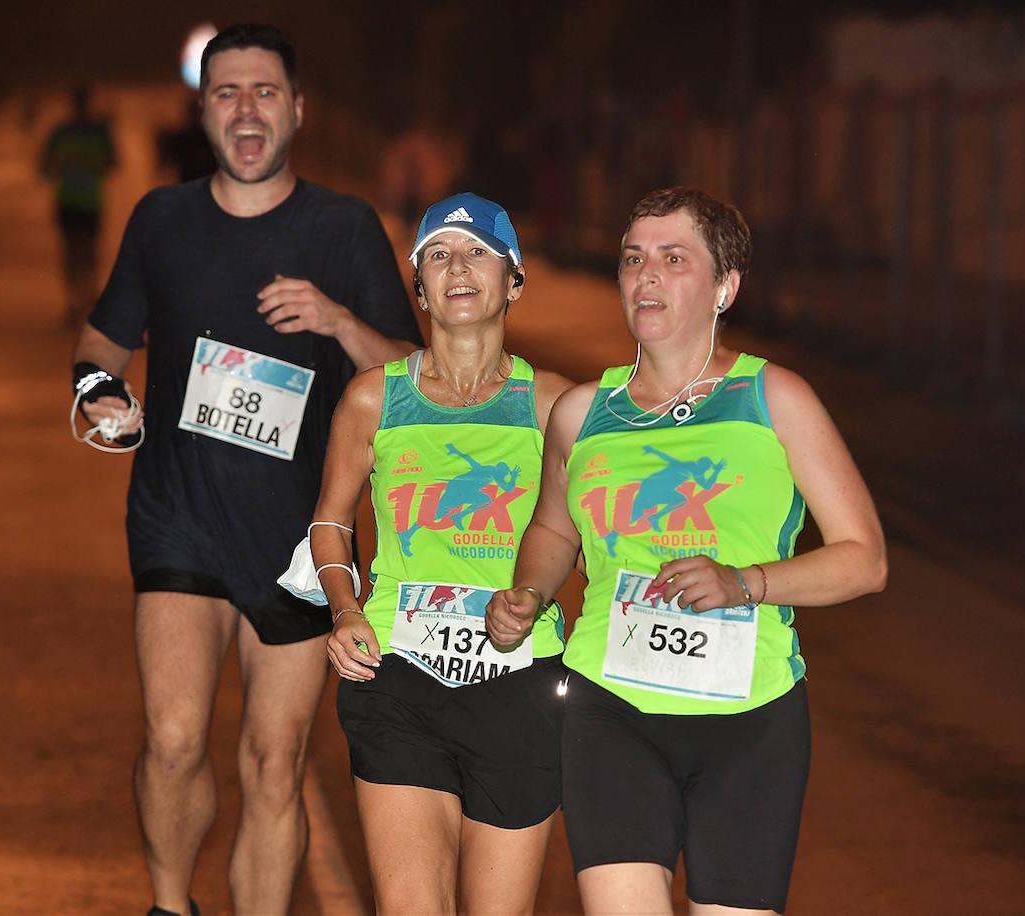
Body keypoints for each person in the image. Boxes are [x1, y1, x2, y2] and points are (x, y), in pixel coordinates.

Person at [69, 24, 421, 916]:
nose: (246, 109)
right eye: (227, 93)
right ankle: (168, 905)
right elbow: (100, 344)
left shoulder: (343, 229)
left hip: (300, 537)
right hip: (176, 514)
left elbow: (417, 384)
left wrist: (337, 321)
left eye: (264, 91)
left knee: (274, 762)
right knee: (175, 735)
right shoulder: (163, 220)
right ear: (204, 112)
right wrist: (100, 395)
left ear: (297, 110)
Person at [486, 187, 888, 915]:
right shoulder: (584, 413)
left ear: (724, 286)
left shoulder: (776, 399)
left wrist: (746, 582)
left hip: (749, 719)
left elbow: (865, 558)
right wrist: (529, 592)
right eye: (634, 259)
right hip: (610, 709)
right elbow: (553, 528)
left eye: (675, 259)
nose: (647, 276)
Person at [310, 192, 573, 913]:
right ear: (418, 284)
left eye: (477, 252)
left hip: (519, 687)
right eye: (437, 255)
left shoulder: (555, 407)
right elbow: (330, 522)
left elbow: (584, 542)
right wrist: (342, 608)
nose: (457, 267)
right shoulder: (374, 399)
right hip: (398, 676)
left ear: (513, 279)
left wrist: (535, 595)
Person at [42, 84, 116, 328]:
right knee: (77, 252)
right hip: (76, 200)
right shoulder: (77, 133)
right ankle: (79, 301)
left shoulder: (68, 133)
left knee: (81, 252)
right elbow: (112, 164)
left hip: (83, 201)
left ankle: (82, 300)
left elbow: (45, 168)